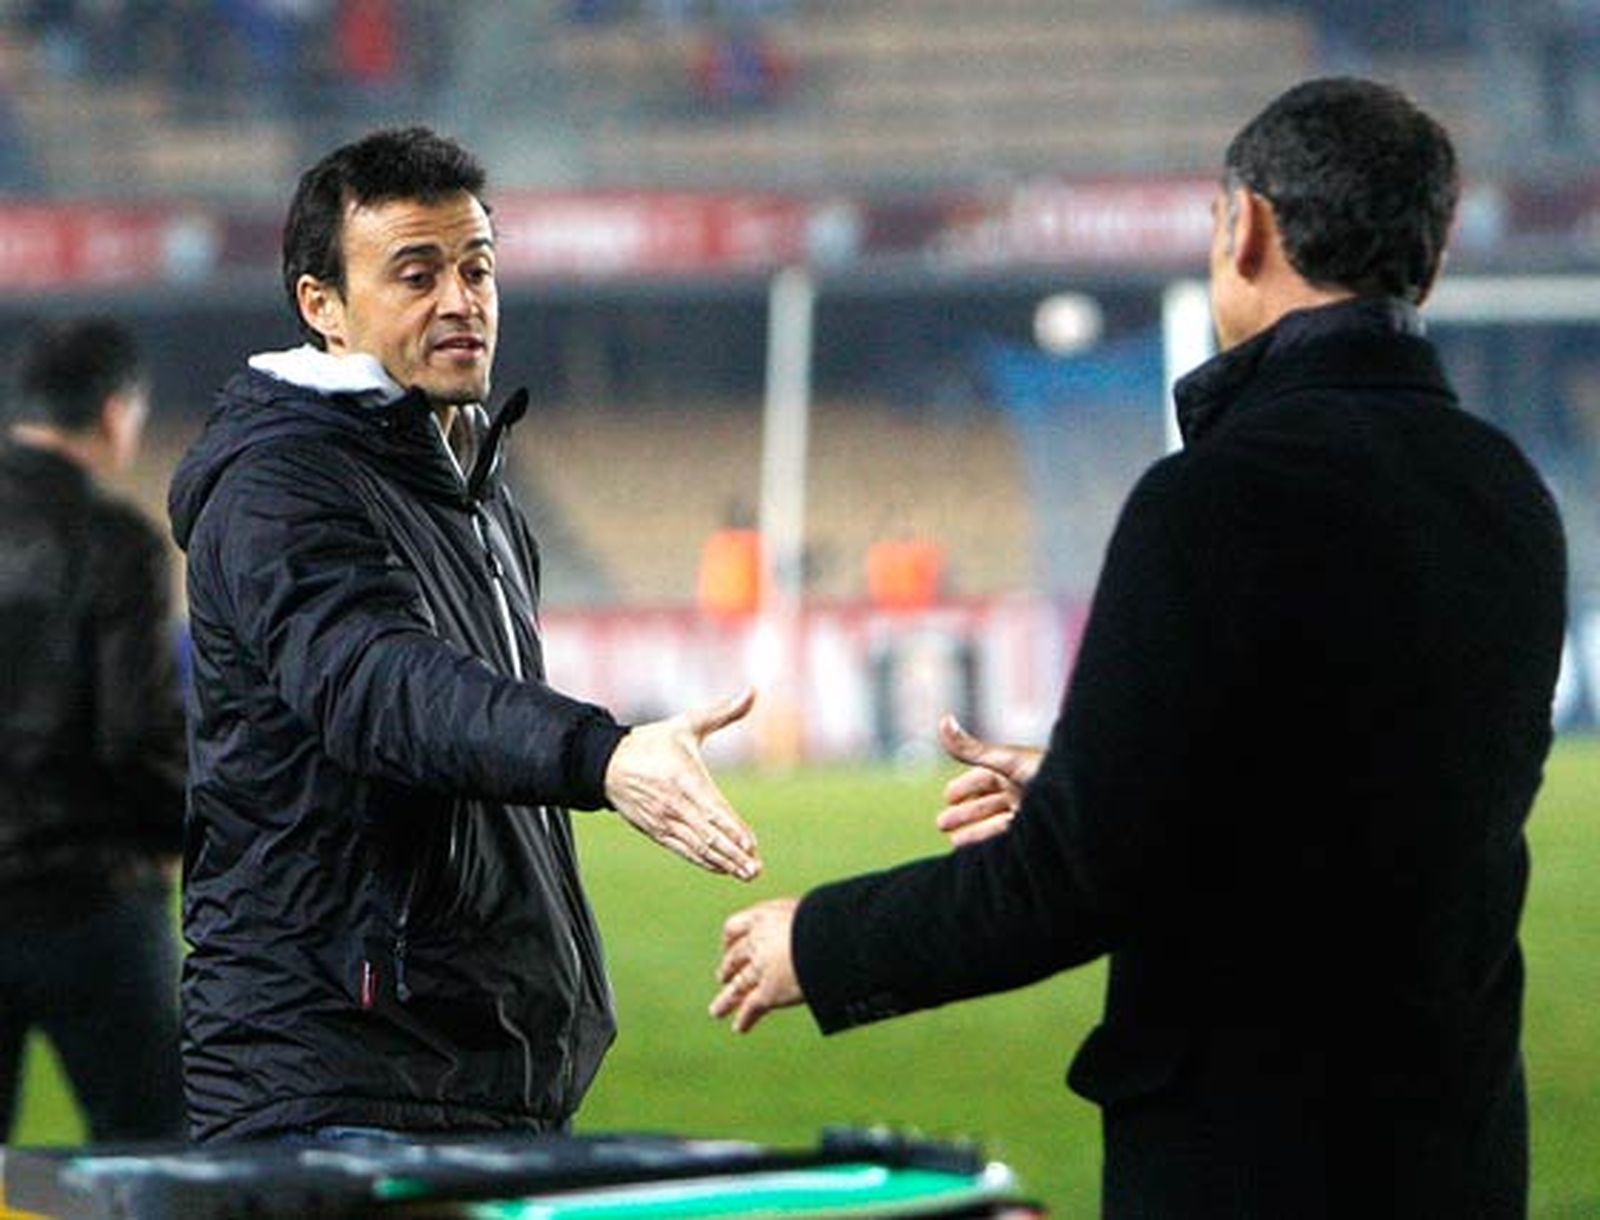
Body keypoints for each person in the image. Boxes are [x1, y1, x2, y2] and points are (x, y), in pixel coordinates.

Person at [711, 78, 1568, 1218]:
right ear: (1435, 252)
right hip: (1453, 1149)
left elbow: (1071, 880)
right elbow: (1355, 809)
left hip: (1250, 1156)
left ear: (1245, 226)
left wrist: (818, 941)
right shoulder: (1507, 493)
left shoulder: (1212, 496)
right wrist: (1100, 778)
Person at [168, 126, 762, 1144]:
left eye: (475, 266)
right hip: (337, 1074)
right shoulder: (278, 482)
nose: (460, 300)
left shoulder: (469, 483)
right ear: (323, 306)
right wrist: (600, 753)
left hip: (464, 1070)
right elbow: (376, 683)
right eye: (415, 273)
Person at [0, 317, 186, 1141]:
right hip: (91, 901)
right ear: (115, 414)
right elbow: (132, 732)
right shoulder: (117, 544)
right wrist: (183, 829)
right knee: (152, 1156)